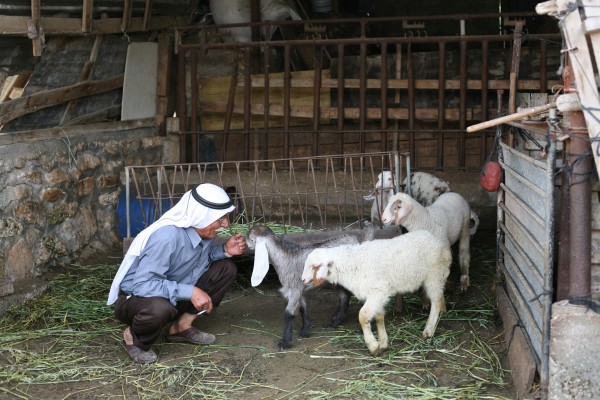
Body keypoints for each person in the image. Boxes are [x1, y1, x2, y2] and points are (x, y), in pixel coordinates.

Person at [107, 183, 247, 364]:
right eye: (220, 219)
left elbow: (196, 261)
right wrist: (190, 292)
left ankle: (180, 327)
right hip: (137, 300)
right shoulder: (167, 237)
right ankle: (133, 337)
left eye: (226, 217)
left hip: (171, 295)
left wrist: (225, 250)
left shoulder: (201, 233)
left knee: (226, 268)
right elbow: (142, 285)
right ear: (201, 216)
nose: (226, 224)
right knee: (158, 308)